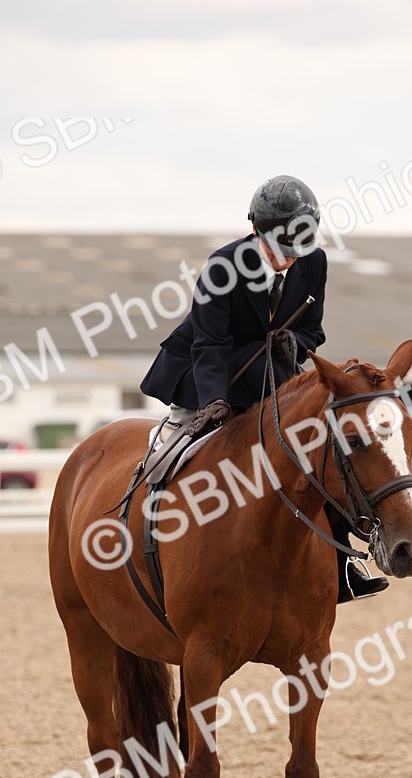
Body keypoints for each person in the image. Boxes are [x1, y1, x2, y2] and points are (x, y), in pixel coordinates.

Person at [140, 175, 386, 602]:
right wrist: (215, 399)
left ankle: (343, 561)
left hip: (272, 370)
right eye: (280, 249)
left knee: (317, 453)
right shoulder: (223, 268)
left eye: (297, 250)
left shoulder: (314, 262)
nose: (289, 261)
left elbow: (313, 330)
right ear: (256, 231)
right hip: (207, 368)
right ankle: (150, 525)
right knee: (182, 437)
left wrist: (297, 343)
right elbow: (210, 342)